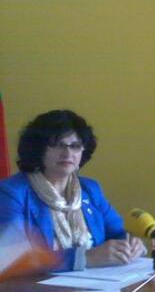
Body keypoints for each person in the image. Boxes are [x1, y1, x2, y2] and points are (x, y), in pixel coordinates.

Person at [0, 110, 145, 271]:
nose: (67, 153)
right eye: (57, 145)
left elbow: (117, 233)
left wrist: (130, 245)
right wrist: (85, 258)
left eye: (75, 146)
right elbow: (11, 257)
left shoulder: (90, 189)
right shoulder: (12, 193)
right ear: (38, 149)